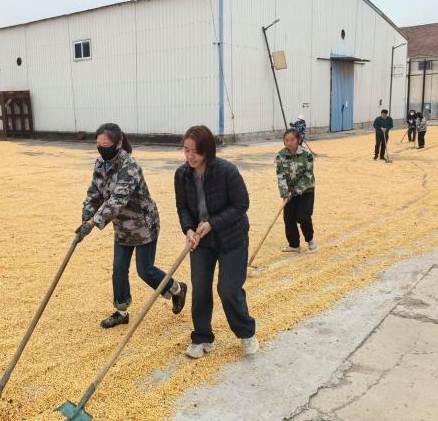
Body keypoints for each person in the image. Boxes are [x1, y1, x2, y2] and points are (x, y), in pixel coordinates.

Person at [77, 123, 187, 329]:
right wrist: (86, 216)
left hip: (143, 223)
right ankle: (121, 311)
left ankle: (177, 289)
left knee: (145, 270)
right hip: (122, 226)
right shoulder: (101, 164)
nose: (101, 149)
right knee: (119, 269)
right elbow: (94, 193)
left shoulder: (130, 167)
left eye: (105, 145)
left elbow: (116, 201)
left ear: (118, 144)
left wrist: (93, 223)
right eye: (98, 145)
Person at [174, 125, 258, 359]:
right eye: (186, 150)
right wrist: (189, 229)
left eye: (196, 151)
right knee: (200, 288)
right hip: (201, 241)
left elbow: (241, 205)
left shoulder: (226, 171)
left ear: (208, 150)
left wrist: (212, 223)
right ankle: (202, 337)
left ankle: (246, 333)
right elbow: (183, 207)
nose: (190, 156)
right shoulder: (182, 174)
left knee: (228, 289)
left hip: (231, 238)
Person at [276, 128, 317, 253]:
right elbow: (280, 175)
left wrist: (296, 190)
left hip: (306, 191)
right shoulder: (281, 155)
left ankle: (310, 241)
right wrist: (285, 192)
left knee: (303, 217)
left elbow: (308, 175)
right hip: (289, 193)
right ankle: (294, 245)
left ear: (298, 140)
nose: (289, 143)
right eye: (286, 140)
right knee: (289, 219)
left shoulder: (306, 154)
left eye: (292, 140)